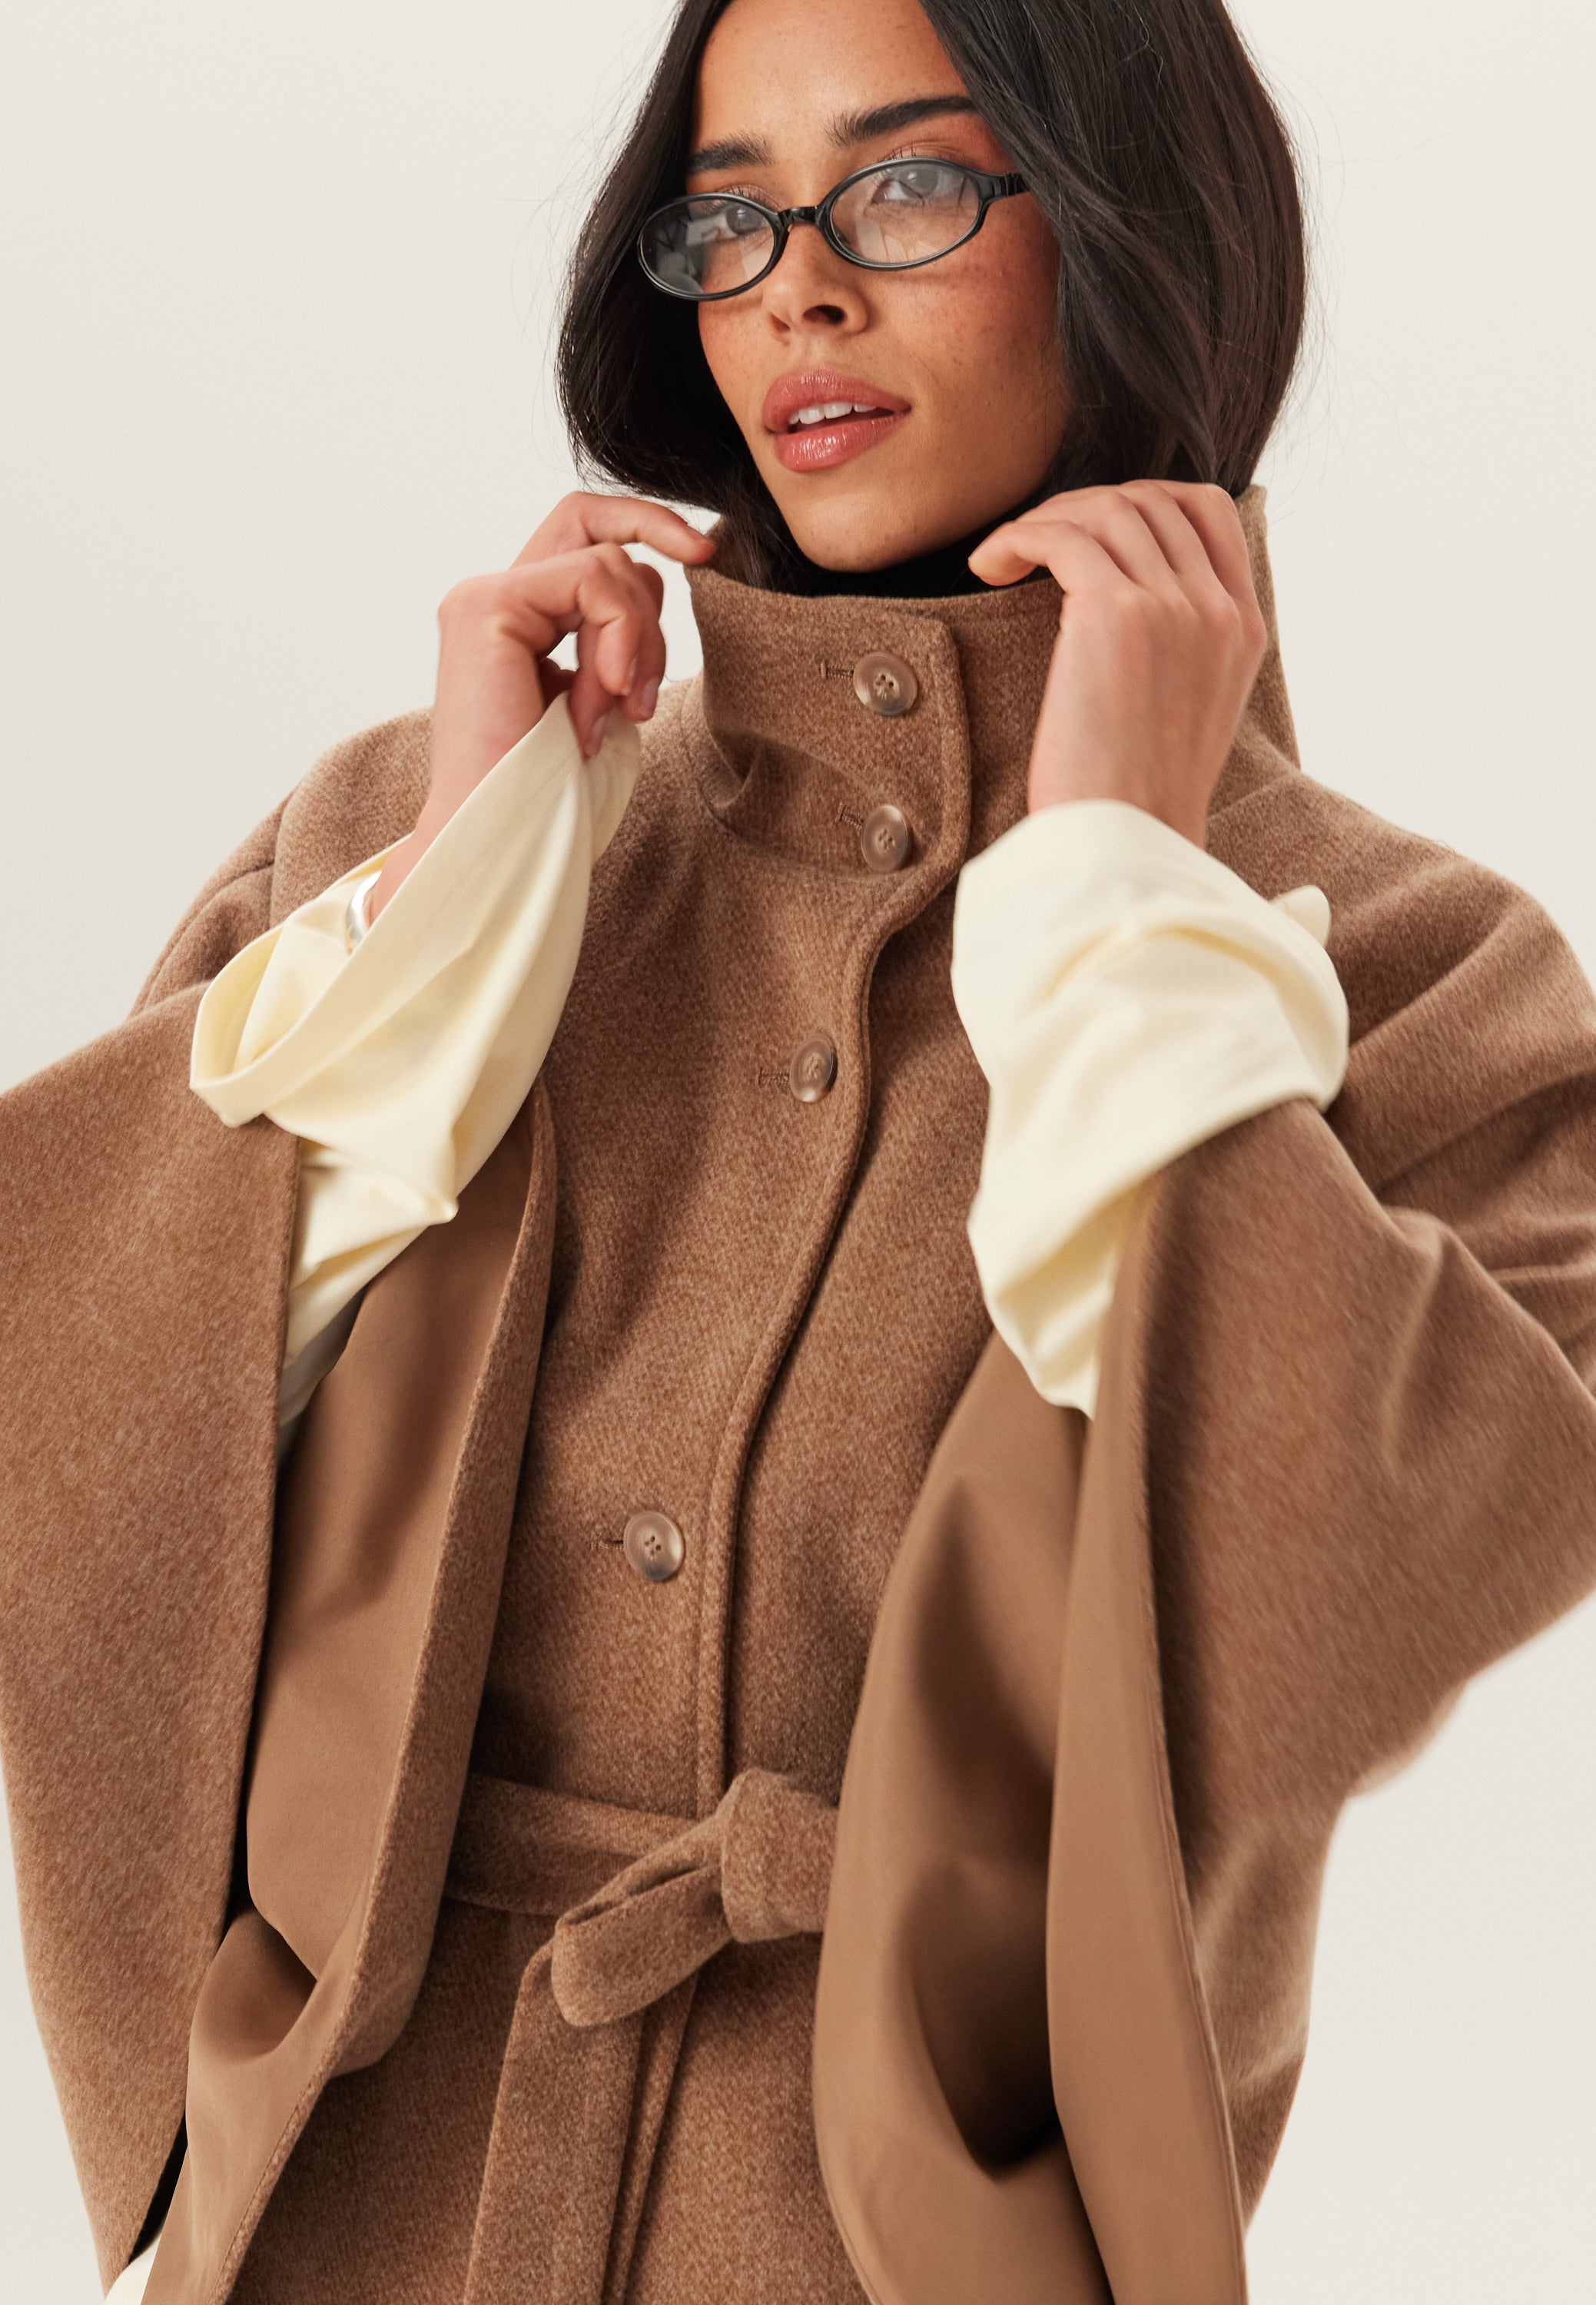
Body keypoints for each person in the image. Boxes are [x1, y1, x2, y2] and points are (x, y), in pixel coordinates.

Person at [5, 0, 1596, 2299]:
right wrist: (436, 934)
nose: (797, 294)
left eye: (909, 185)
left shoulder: (1423, 975)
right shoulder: (439, 836)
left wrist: (1117, 896)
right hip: (365, 2196)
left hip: (916, 2234)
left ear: (1133, 225)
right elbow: (70, 1437)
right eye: (727, 217)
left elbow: (1344, 1618)